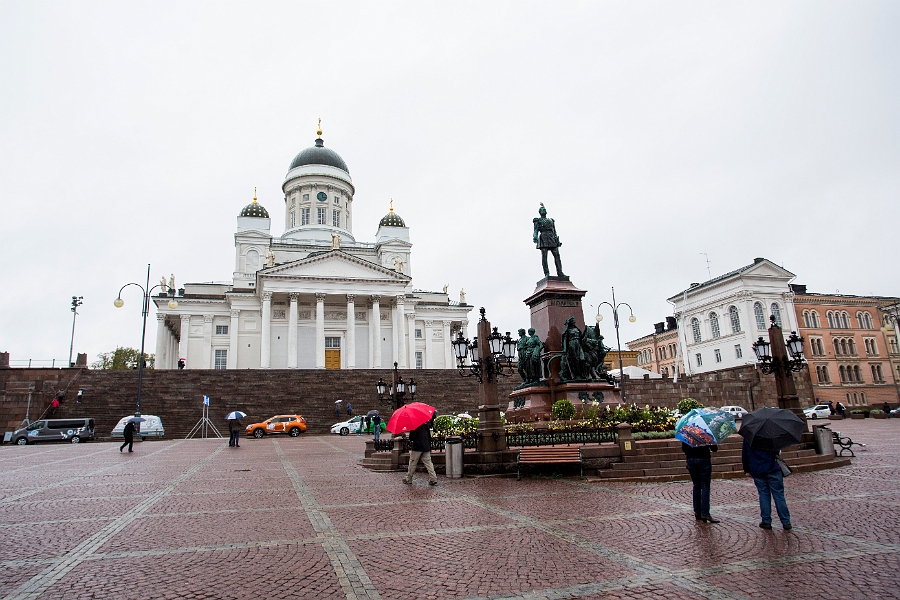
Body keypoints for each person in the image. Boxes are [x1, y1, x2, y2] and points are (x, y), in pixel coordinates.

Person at [742, 438, 791, 530]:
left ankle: (766, 521)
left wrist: (747, 469)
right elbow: (777, 450)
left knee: (764, 495)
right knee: (779, 495)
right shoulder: (770, 434)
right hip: (772, 468)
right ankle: (786, 521)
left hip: (757, 469)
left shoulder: (749, 437)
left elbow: (745, 454)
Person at [682, 442, 719, 523]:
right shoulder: (705, 433)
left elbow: (684, 448)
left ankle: (697, 512)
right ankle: (705, 513)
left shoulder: (688, 432)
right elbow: (714, 449)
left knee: (696, 486)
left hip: (691, 459)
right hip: (703, 458)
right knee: (705, 486)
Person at [532, 203, 564, 277]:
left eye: (545, 209)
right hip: (543, 237)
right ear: (540, 212)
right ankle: (546, 273)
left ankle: (560, 272)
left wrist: (557, 240)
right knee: (544, 256)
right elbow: (535, 230)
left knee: (557, 255)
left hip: (551, 237)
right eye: (542, 209)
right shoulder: (538, 220)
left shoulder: (551, 220)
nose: (544, 210)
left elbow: (554, 230)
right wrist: (535, 237)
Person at [404, 416, 438, 486]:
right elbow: (429, 435)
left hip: (417, 446)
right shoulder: (427, 423)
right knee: (428, 463)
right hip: (426, 445)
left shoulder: (414, 424)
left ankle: (408, 478)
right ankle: (433, 478)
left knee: (413, 463)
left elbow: (411, 437)